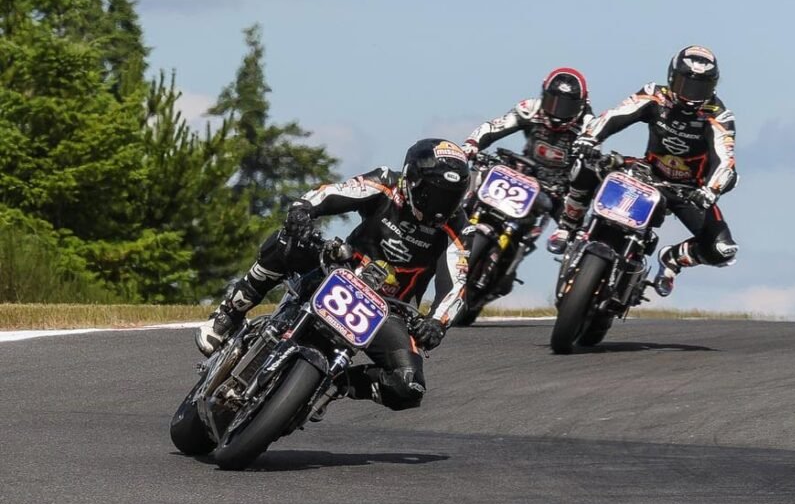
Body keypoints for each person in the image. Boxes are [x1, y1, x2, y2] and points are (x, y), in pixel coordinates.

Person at [195, 139, 471, 411]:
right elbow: (335, 192)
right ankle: (228, 314)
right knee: (287, 241)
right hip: (339, 270)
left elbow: (456, 283)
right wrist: (303, 210)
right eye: (433, 194)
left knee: (408, 387)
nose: (439, 207)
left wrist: (437, 322)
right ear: (411, 180)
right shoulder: (386, 183)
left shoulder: (457, 227)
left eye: (449, 198)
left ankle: (336, 383)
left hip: (386, 312)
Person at [547, 45, 738, 298]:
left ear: (712, 87)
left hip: (688, 190)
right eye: (685, 85)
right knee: (585, 164)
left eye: (700, 88)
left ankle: (672, 259)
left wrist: (711, 190)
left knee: (722, 248)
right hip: (647, 170)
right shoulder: (655, 94)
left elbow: (725, 159)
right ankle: (568, 225)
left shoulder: (719, 116)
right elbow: (617, 114)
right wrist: (589, 138)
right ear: (672, 78)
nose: (691, 95)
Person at [461, 67, 595, 222]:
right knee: (478, 174)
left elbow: (588, 172)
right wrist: (472, 144)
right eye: (552, 103)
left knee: (574, 230)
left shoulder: (590, 127)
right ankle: (457, 217)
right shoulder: (530, 109)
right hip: (522, 175)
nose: (557, 113)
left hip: (557, 193)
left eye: (566, 107)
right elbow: (494, 127)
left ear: (581, 105)